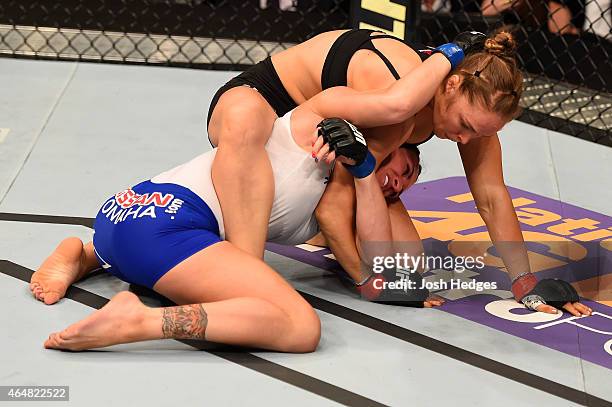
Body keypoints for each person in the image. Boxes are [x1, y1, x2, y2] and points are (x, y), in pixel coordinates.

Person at [30, 94, 426, 352]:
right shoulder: (321, 131)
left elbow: (388, 266)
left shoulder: (340, 197)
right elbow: (378, 275)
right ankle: (140, 319)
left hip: (127, 213)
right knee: (301, 327)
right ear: (385, 146)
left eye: (409, 183)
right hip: (165, 228)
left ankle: (83, 255)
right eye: (403, 166)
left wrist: (369, 172)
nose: (401, 182)